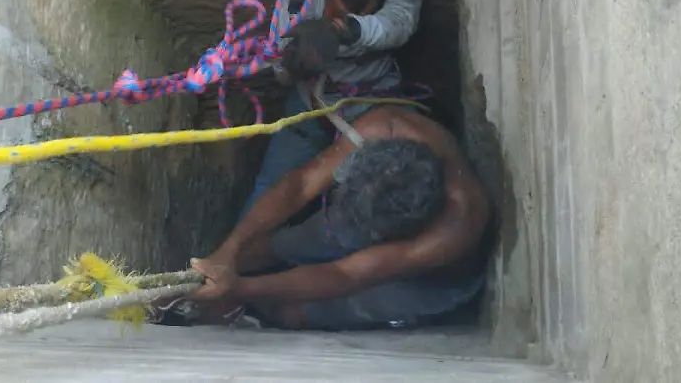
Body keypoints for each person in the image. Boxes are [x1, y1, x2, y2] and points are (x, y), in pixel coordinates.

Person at [183, 104, 493, 331]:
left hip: (425, 281)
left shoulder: (454, 229)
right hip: (373, 216)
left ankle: (256, 314)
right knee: (283, 244)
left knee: (295, 313)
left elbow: (346, 275)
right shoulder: (385, 128)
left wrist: (241, 289)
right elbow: (301, 185)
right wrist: (229, 250)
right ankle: (217, 279)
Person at [240, 0, 425, 217]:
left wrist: (347, 31)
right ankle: (233, 254)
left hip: (375, 101)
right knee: (271, 189)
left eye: (359, 15)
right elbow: (280, 71)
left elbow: (396, 25)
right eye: (336, 12)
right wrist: (293, 64)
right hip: (311, 106)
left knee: (407, 175)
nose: (338, 18)